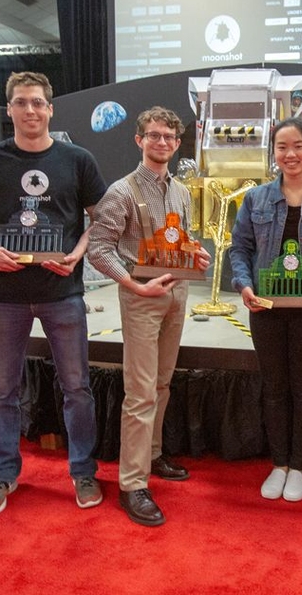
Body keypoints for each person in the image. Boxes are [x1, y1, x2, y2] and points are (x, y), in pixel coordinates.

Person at [0, 71, 106, 516]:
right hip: (4, 296)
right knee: (2, 390)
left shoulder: (78, 159)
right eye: (21, 102)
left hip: (62, 291)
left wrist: (77, 254)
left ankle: (83, 471)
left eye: (38, 102)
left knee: (77, 387)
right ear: (9, 110)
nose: (30, 110)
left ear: (50, 109)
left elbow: (100, 220)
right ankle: (2, 474)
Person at [88, 106, 211, 527]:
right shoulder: (121, 191)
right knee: (140, 392)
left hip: (178, 291)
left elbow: (182, 238)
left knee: (161, 384)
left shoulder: (181, 192)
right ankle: (132, 483)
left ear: (177, 144)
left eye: (169, 137)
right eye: (154, 135)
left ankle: (153, 455)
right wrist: (134, 284)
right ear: (139, 140)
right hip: (141, 295)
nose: (162, 142)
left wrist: (196, 254)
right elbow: (99, 249)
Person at [229, 117, 302, 503]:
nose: (290, 154)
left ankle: (298, 466)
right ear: (273, 153)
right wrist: (244, 284)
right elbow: (240, 248)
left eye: (298, 146)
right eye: (282, 147)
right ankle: (278, 463)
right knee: (274, 386)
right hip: (265, 307)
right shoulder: (256, 199)